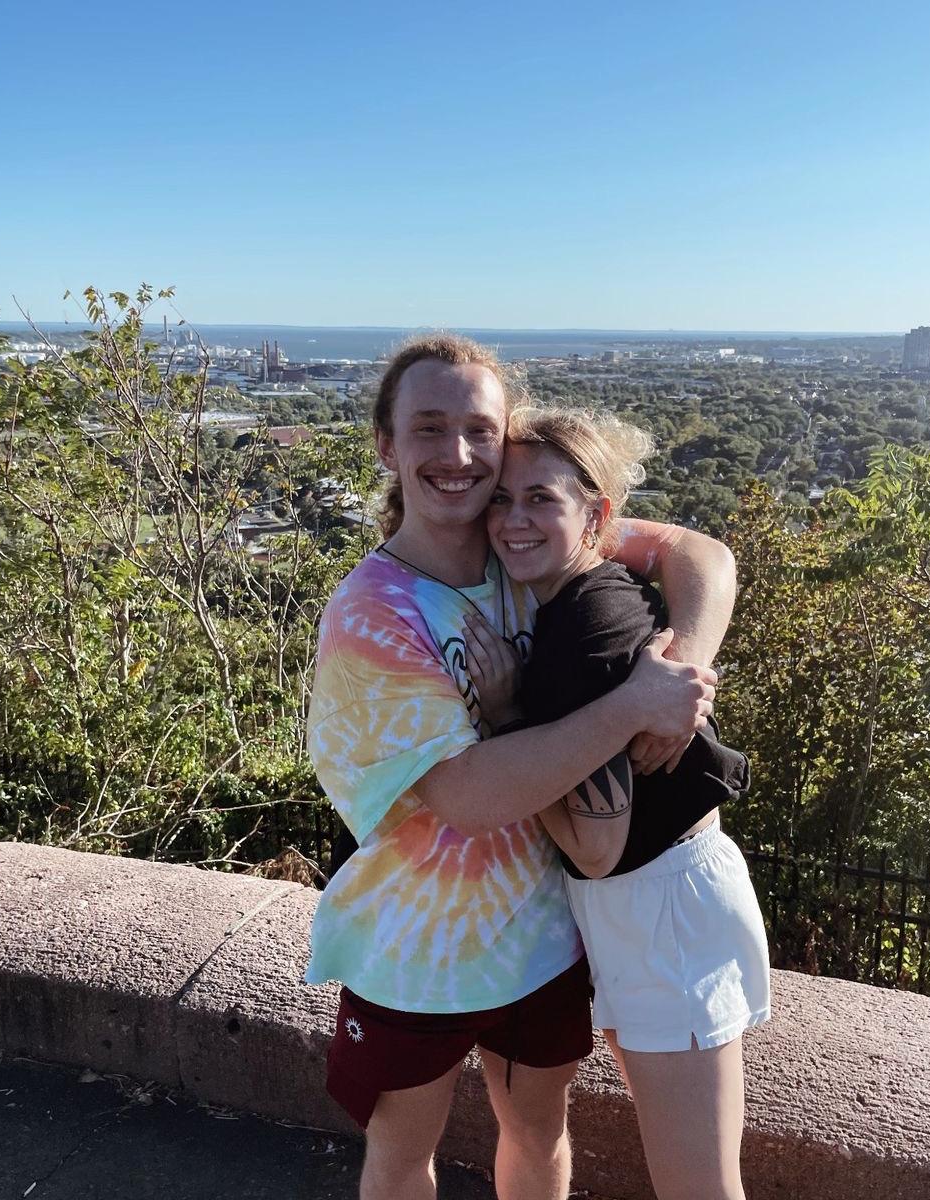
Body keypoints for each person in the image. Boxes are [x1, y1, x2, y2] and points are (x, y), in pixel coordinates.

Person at [305, 333, 736, 1200]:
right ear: (387, 446)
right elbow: (470, 796)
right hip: (417, 947)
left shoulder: (521, 547)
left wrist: (680, 668)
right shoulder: (374, 613)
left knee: (539, 1132)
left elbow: (701, 554)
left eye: (479, 430)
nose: (458, 455)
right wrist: (629, 708)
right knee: (401, 1156)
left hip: (542, 931)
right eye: (429, 429)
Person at [479, 405, 770, 1200]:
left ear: (596, 514)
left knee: (698, 1187)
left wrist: (505, 724)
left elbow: (596, 846)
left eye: (542, 498)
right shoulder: (578, 599)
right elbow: (693, 548)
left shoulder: (586, 633)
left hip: (657, 906)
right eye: (501, 499)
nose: (513, 519)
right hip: (656, 899)